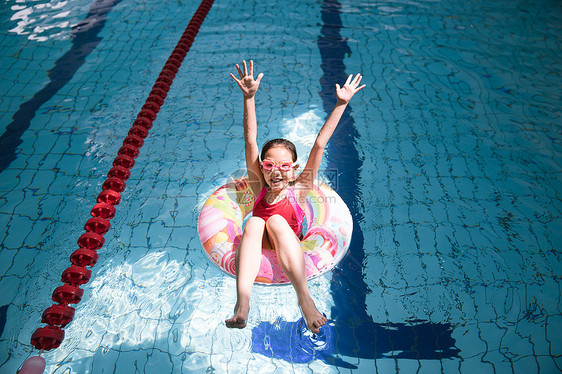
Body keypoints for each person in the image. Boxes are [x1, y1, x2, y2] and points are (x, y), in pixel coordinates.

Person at [225, 60, 365, 333]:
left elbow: (320, 143)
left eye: (284, 166)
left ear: (294, 170)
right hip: (261, 239)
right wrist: (249, 98)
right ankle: (242, 304)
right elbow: (250, 141)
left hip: (289, 239)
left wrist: (340, 104)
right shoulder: (258, 186)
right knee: (254, 222)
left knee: (275, 221)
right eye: (268, 165)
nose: (276, 171)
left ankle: (306, 301)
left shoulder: (300, 189)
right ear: (262, 168)